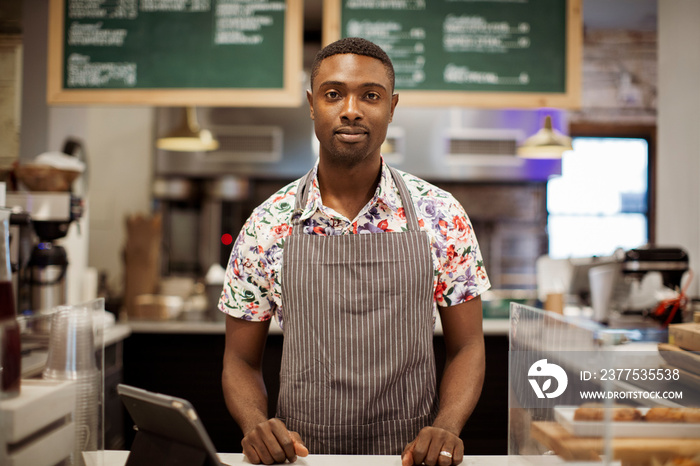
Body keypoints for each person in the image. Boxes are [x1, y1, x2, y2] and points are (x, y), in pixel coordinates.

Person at [220, 37, 490, 466]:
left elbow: (468, 346)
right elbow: (238, 359)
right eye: (333, 94)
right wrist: (256, 423)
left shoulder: (441, 214)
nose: (351, 109)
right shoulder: (266, 224)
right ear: (312, 104)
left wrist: (448, 426)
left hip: (410, 458)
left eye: (370, 95)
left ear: (392, 106)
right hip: (302, 457)